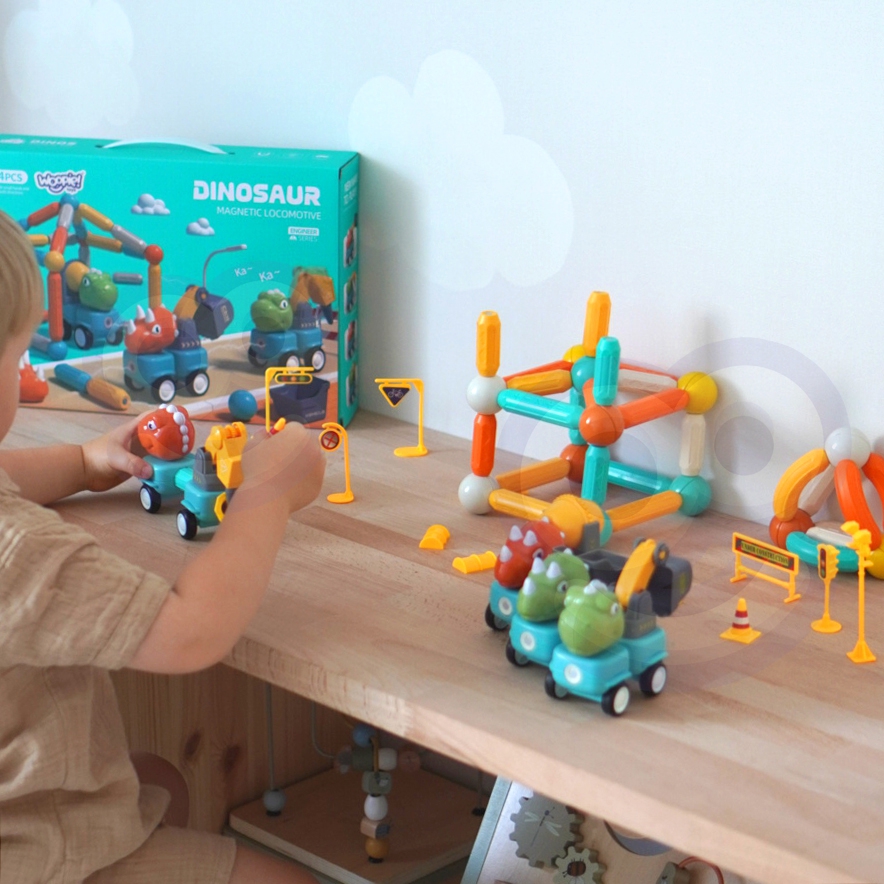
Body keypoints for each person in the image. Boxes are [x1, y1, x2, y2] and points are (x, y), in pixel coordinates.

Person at [0, 209, 325, 884]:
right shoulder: (18, 550)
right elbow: (191, 632)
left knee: (161, 781)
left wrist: (81, 462)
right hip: (39, 859)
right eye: (18, 356)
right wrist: (267, 494)